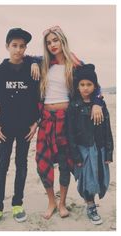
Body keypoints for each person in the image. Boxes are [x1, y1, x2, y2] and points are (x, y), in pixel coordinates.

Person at [33, 26, 104, 219]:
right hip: (46, 119)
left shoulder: (74, 64)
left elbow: (94, 84)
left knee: (65, 163)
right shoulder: (43, 64)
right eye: (48, 42)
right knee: (42, 162)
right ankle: (51, 202)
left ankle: (62, 203)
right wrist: (33, 62)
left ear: (62, 41)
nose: (52, 45)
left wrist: (97, 102)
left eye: (55, 40)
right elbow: (22, 59)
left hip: (66, 119)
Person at [0, 28, 39, 228]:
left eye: (22, 46)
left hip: (26, 127)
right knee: (2, 166)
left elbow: (37, 100)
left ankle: (17, 204)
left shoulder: (32, 70)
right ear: (7, 46)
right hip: (5, 128)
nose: (18, 49)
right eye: (14, 45)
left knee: (22, 165)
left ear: (26, 48)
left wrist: (36, 122)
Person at [67, 64, 113, 225]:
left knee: (100, 178)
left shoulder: (101, 105)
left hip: (99, 148)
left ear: (95, 86)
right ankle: (90, 206)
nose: (85, 88)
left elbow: (107, 129)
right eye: (82, 84)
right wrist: (76, 155)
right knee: (87, 179)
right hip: (83, 149)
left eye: (89, 84)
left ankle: (92, 201)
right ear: (77, 86)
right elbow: (70, 133)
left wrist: (109, 152)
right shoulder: (74, 106)